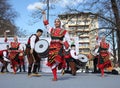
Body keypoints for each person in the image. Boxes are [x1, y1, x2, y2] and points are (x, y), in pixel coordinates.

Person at [42, 11, 71, 81]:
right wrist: (44, 15)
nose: (56, 23)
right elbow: (46, 24)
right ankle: (55, 77)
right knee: (52, 63)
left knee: (57, 60)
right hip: (52, 48)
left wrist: (63, 42)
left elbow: (69, 40)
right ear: (54, 23)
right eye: (55, 21)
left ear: (60, 23)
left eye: (58, 21)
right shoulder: (51, 30)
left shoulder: (64, 31)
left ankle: (62, 66)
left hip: (59, 47)